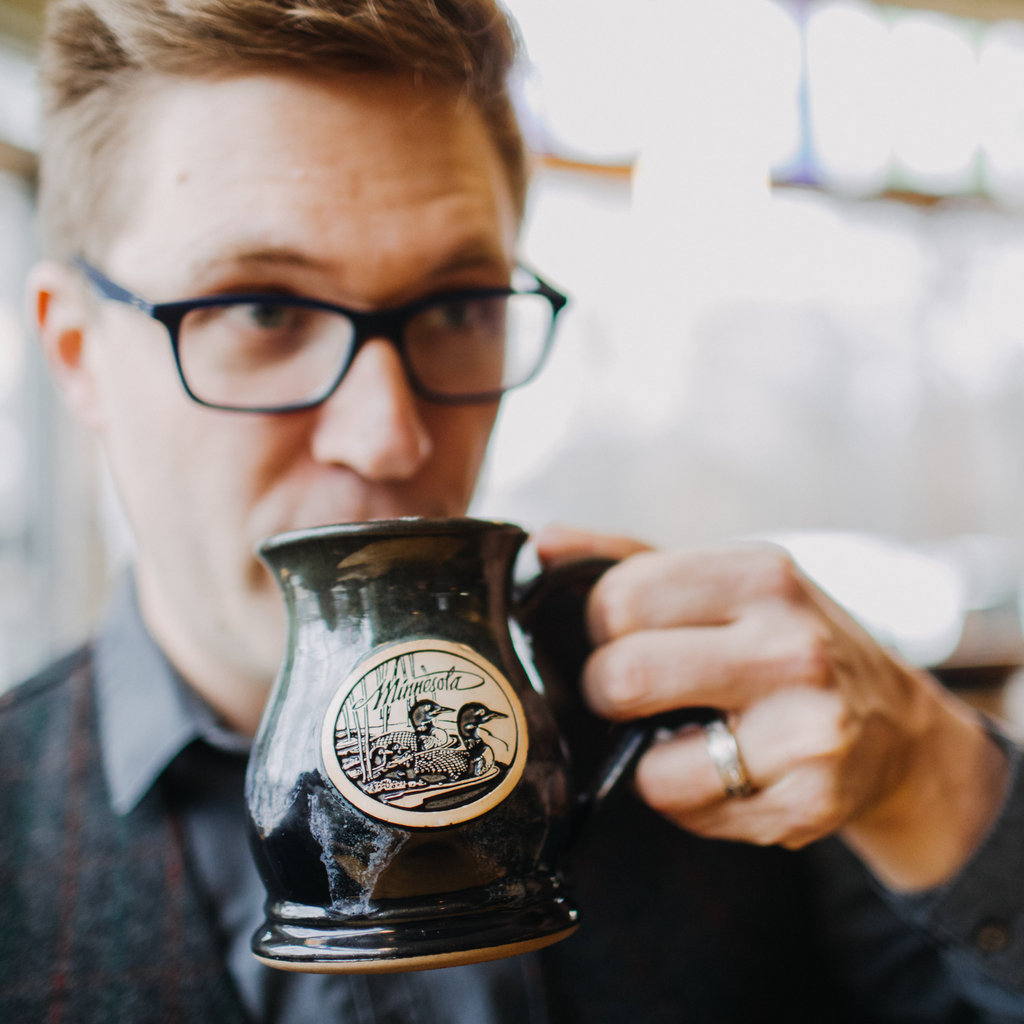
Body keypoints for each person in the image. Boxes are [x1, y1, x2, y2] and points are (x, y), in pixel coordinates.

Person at [1, 0, 1023, 1021]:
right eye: (263, 310)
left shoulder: (739, 774)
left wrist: (933, 784)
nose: (388, 439)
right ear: (77, 353)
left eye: (458, 308)